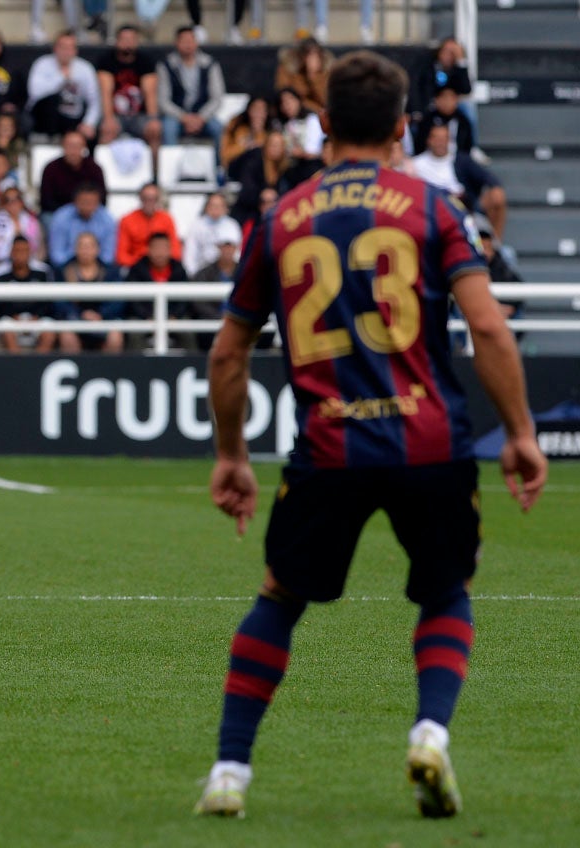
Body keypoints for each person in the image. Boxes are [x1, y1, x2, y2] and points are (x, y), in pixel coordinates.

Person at [195, 50, 547, 820]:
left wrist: (230, 456)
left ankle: (228, 774)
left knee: (280, 598)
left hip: (327, 447)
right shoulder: (432, 207)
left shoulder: (278, 218)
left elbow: (227, 350)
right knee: (445, 591)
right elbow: (487, 324)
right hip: (431, 443)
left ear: (323, 124)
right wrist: (519, 433)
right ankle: (427, 733)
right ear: (400, 128)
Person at [412, 123, 506, 240]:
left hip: (463, 210)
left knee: (497, 196)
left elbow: (489, 179)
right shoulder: (415, 164)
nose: (440, 142)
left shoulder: (461, 160)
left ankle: (494, 247)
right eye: (436, 138)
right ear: (429, 140)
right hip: (430, 212)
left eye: (444, 138)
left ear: (449, 141)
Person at [96, 25, 162, 158]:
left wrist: (152, 119)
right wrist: (108, 119)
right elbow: (106, 93)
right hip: (116, 115)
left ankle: (155, 174)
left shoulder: (146, 61)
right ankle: (102, 173)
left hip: (139, 115)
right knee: (107, 131)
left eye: (131, 39)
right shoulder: (106, 61)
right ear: (117, 41)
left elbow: (150, 94)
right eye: (124, 39)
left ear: (137, 41)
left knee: (155, 130)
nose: (127, 43)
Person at [53, 231, 124, 353]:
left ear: (97, 249)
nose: (86, 250)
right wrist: (80, 314)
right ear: (75, 249)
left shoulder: (110, 272)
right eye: (82, 246)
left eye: (90, 246)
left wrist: (101, 314)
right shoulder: (64, 271)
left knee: (115, 336)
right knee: (66, 335)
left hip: (103, 319)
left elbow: (118, 301)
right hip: (74, 318)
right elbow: (59, 301)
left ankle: (110, 371)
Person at [156, 25, 225, 149]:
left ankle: (219, 167)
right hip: (176, 116)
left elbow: (217, 98)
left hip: (203, 116)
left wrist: (201, 117)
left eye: (191, 40)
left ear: (196, 42)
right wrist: (184, 117)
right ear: (176, 43)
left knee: (219, 129)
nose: (188, 44)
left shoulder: (209, 64)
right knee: (168, 128)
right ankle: (170, 167)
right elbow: (163, 101)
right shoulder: (166, 65)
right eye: (184, 41)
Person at [25, 30, 101, 140]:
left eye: (70, 48)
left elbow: (94, 100)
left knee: (92, 132)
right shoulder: (42, 64)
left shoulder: (85, 68)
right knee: (51, 101)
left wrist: (89, 123)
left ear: (75, 50)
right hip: (45, 116)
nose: (66, 51)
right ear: (55, 48)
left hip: (73, 116)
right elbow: (35, 93)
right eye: (62, 47)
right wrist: (62, 78)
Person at [122, 231, 191, 349]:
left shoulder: (179, 269)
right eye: (156, 248)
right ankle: (136, 366)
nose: (160, 253)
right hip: (143, 318)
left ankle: (190, 366)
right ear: (148, 249)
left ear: (170, 250)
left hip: (173, 317)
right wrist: (148, 317)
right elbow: (133, 300)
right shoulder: (137, 269)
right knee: (134, 333)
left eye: (163, 248)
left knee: (188, 331)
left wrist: (174, 316)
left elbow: (184, 299)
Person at [0, 235, 57, 353]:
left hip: (36, 318)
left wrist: (37, 316)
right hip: (12, 319)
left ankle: (38, 366)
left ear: (30, 252)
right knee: (6, 327)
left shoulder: (42, 275)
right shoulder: (2, 277)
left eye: (24, 250)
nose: (20, 254)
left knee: (49, 330)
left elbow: (48, 302)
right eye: (17, 250)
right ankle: (18, 366)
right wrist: (13, 316)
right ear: (11, 252)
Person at [186, 216, 243, 350]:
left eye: (230, 246)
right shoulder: (204, 273)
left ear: (236, 247)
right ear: (218, 247)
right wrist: (219, 317)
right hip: (213, 319)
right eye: (224, 246)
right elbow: (199, 302)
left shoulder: (245, 272)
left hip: (240, 319)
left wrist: (237, 316)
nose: (227, 250)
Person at [47, 183, 117, 270]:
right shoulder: (61, 218)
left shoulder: (107, 219)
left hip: (99, 270)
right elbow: (57, 255)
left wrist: (90, 264)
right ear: (75, 201)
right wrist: (80, 258)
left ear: (98, 202)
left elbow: (108, 256)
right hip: (66, 269)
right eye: (84, 202)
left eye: (92, 202)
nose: (87, 206)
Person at [38, 129, 107, 218]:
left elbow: (102, 199)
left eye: (77, 146)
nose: (73, 151)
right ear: (63, 146)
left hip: (89, 213)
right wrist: (70, 213)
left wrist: (85, 208)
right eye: (70, 146)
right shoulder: (51, 169)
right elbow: (46, 201)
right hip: (58, 213)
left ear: (84, 147)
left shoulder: (94, 169)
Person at [116, 182, 181, 270]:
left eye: (153, 199)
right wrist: (142, 263)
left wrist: (159, 260)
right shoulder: (127, 220)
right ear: (140, 198)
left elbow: (176, 252)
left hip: (163, 268)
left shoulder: (167, 219)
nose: (149, 202)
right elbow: (121, 256)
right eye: (146, 198)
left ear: (158, 200)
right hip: (135, 269)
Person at [0, 185, 44, 267]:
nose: (12, 203)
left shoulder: (32, 221)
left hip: (30, 264)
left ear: (22, 202)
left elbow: (40, 249)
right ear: (3, 203)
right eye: (7, 200)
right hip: (1, 264)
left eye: (16, 199)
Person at [183, 191, 240, 276]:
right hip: (202, 274)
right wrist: (193, 277)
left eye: (219, 206)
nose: (216, 209)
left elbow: (237, 253)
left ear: (226, 208)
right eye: (213, 205)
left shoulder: (232, 225)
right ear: (206, 207)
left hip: (228, 274)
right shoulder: (196, 226)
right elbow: (190, 255)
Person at [411, 85, 474, 157]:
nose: (447, 102)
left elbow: (467, 146)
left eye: (451, 98)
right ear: (436, 100)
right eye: (444, 98)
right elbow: (419, 146)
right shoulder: (426, 121)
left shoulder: (464, 122)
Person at [274, 36, 332, 114]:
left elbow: (326, 101)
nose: (311, 60)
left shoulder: (327, 71)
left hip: (320, 115)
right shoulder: (288, 68)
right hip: (294, 115)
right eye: (308, 55)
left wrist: (313, 76)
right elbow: (283, 95)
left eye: (315, 56)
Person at [219, 95, 269, 172]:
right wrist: (245, 146)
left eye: (263, 110)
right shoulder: (236, 125)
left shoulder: (270, 130)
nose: (259, 113)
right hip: (237, 166)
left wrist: (259, 132)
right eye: (256, 109)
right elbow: (225, 155)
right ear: (249, 110)